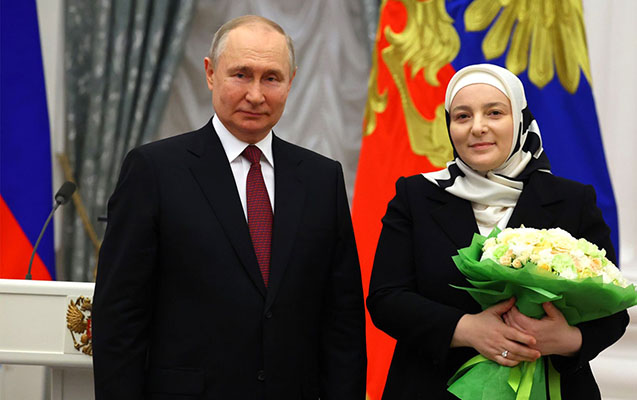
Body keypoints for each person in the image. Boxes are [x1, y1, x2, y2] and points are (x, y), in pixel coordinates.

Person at [92, 15, 366, 400]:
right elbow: (120, 316)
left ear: (291, 82)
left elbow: (343, 321)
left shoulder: (322, 179)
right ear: (210, 73)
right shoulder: (154, 170)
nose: (255, 94)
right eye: (241, 74)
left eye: (271, 78)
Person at [366, 63, 629, 399]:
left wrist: (566, 340)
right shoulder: (416, 196)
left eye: (494, 113)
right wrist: (466, 329)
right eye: (462, 116)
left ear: (519, 120)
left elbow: (612, 311)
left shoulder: (572, 201)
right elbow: (387, 298)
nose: (478, 127)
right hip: (432, 386)